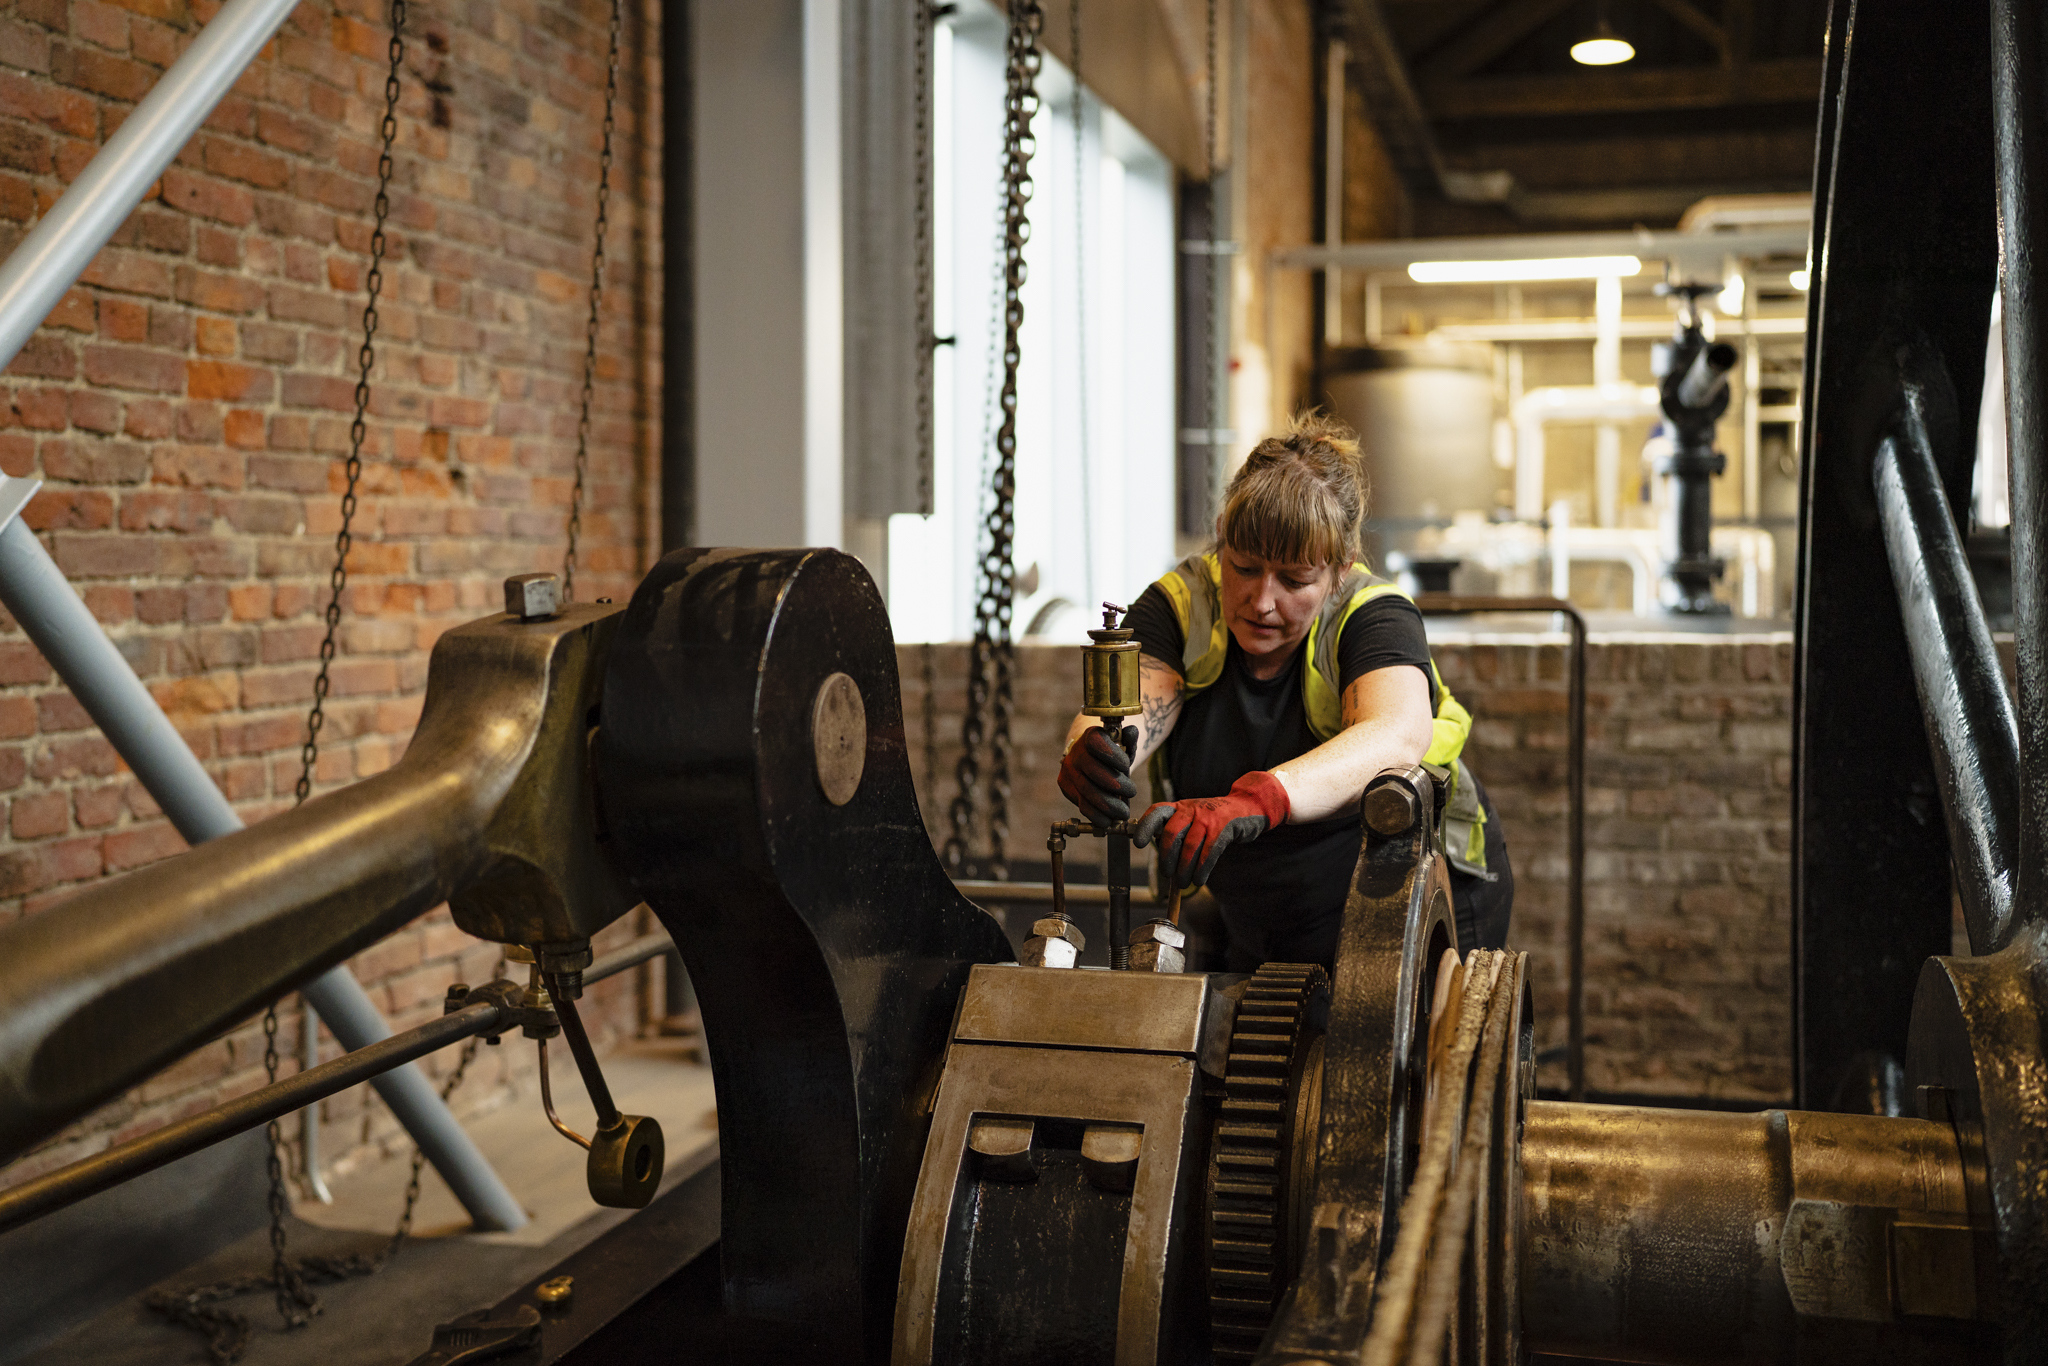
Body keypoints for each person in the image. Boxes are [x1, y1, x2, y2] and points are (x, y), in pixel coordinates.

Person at [1055, 412, 1511, 970]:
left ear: (1339, 571)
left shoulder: (1375, 617)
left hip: (1414, 890)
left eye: (1295, 581)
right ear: (1223, 535)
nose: (1262, 600)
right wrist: (1092, 753)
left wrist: (1257, 799)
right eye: (1243, 567)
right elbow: (1134, 705)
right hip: (1264, 900)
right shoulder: (1180, 605)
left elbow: (1396, 732)